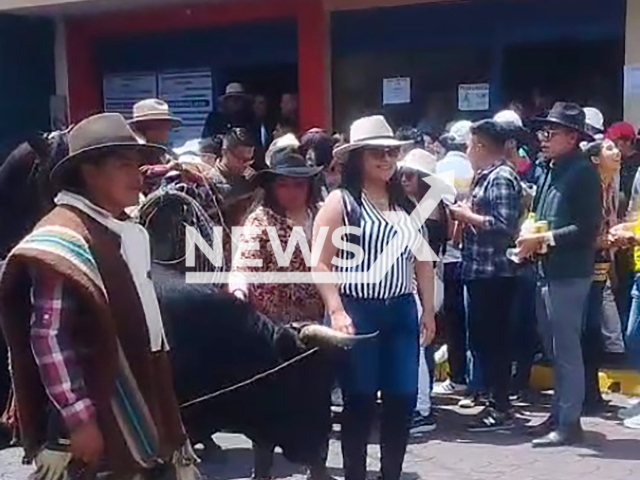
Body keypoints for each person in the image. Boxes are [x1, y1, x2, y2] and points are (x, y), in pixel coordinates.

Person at [0, 113, 199, 479]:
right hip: (100, 411)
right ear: (88, 173)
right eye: (123, 165)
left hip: (140, 391)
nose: (136, 175)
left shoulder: (120, 229)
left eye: (138, 165)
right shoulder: (63, 240)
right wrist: (78, 420)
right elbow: (49, 338)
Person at [312, 115, 436, 480]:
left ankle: (392, 475)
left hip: (399, 309)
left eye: (392, 152)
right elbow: (321, 262)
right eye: (377, 153)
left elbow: (423, 261)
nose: (386, 159)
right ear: (358, 158)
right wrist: (336, 310)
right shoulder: (341, 202)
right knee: (359, 402)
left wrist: (427, 311)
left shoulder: (406, 204)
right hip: (358, 309)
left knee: (402, 400)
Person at [229, 148, 328, 480]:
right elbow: (244, 261)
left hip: (315, 325)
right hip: (270, 326)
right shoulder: (261, 220)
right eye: (283, 185)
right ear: (272, 187)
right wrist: (239, 289)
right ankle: (263, 471)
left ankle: (318, 467)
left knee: (316, 399)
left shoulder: (322, 216)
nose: (291, 192)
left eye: (298, 185)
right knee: (268, 400)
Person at [517, 102, 601, 447]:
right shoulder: (551, 168)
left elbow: (587, 228)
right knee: (553, 346)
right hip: (546, 269)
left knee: (566, 350)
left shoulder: (582, 171)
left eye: (551, 132)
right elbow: (541, 212)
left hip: (568, 272)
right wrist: (530, 232)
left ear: (572, 136)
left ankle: (569, 422)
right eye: (542, 131)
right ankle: (559, 413)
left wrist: (545, 238)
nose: (543, 137)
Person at [449, 119, 523, 431]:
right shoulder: (484, 177)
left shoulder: (501, 177)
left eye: (469, 144)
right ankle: (495, 401)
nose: (466, 151)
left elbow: (505, 226)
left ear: (480, 145)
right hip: (478, 270)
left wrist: (468, 216)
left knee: (494, 342)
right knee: (482, 341)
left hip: (495, 273)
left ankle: (501, 405)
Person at [398, 148, 451, 434]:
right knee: (421, 346)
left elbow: (425, 258)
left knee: (418, 347)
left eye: (410, 175)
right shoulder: (424, 205)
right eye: (401, 174)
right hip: (421, 281)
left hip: (425, 282)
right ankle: (421, 402)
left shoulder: (427, 211)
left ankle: (422, 409)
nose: (404, 179)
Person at [494, 110, 538, 399]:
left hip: (524, 254)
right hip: (507, 257)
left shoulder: (527, 166)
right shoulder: (503, 167)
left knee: (520, 322)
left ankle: (519, 380)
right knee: (511, 323)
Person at [432, 120, 474, 399]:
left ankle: (457, 376)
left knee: (454, 322)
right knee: (470, 321)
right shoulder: (474, 168)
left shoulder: (440, 169)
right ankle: (469, 376)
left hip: (448, 256)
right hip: (469, 255)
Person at [582, 139, 622, 415]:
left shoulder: (609, 187)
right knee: (587, 332)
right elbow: (586, 234)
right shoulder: (591, 189)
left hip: (601, 269)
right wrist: (612, 239)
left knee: (593, 332)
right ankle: (587, 395)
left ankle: (592, 393)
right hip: (584, 270)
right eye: (609, 149)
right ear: (595, 159)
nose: (617, 152)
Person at [300, 128, 341, 197]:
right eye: (306, 149)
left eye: (315, 149)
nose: (309, 155)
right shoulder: (300, 180)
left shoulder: (337, 181)